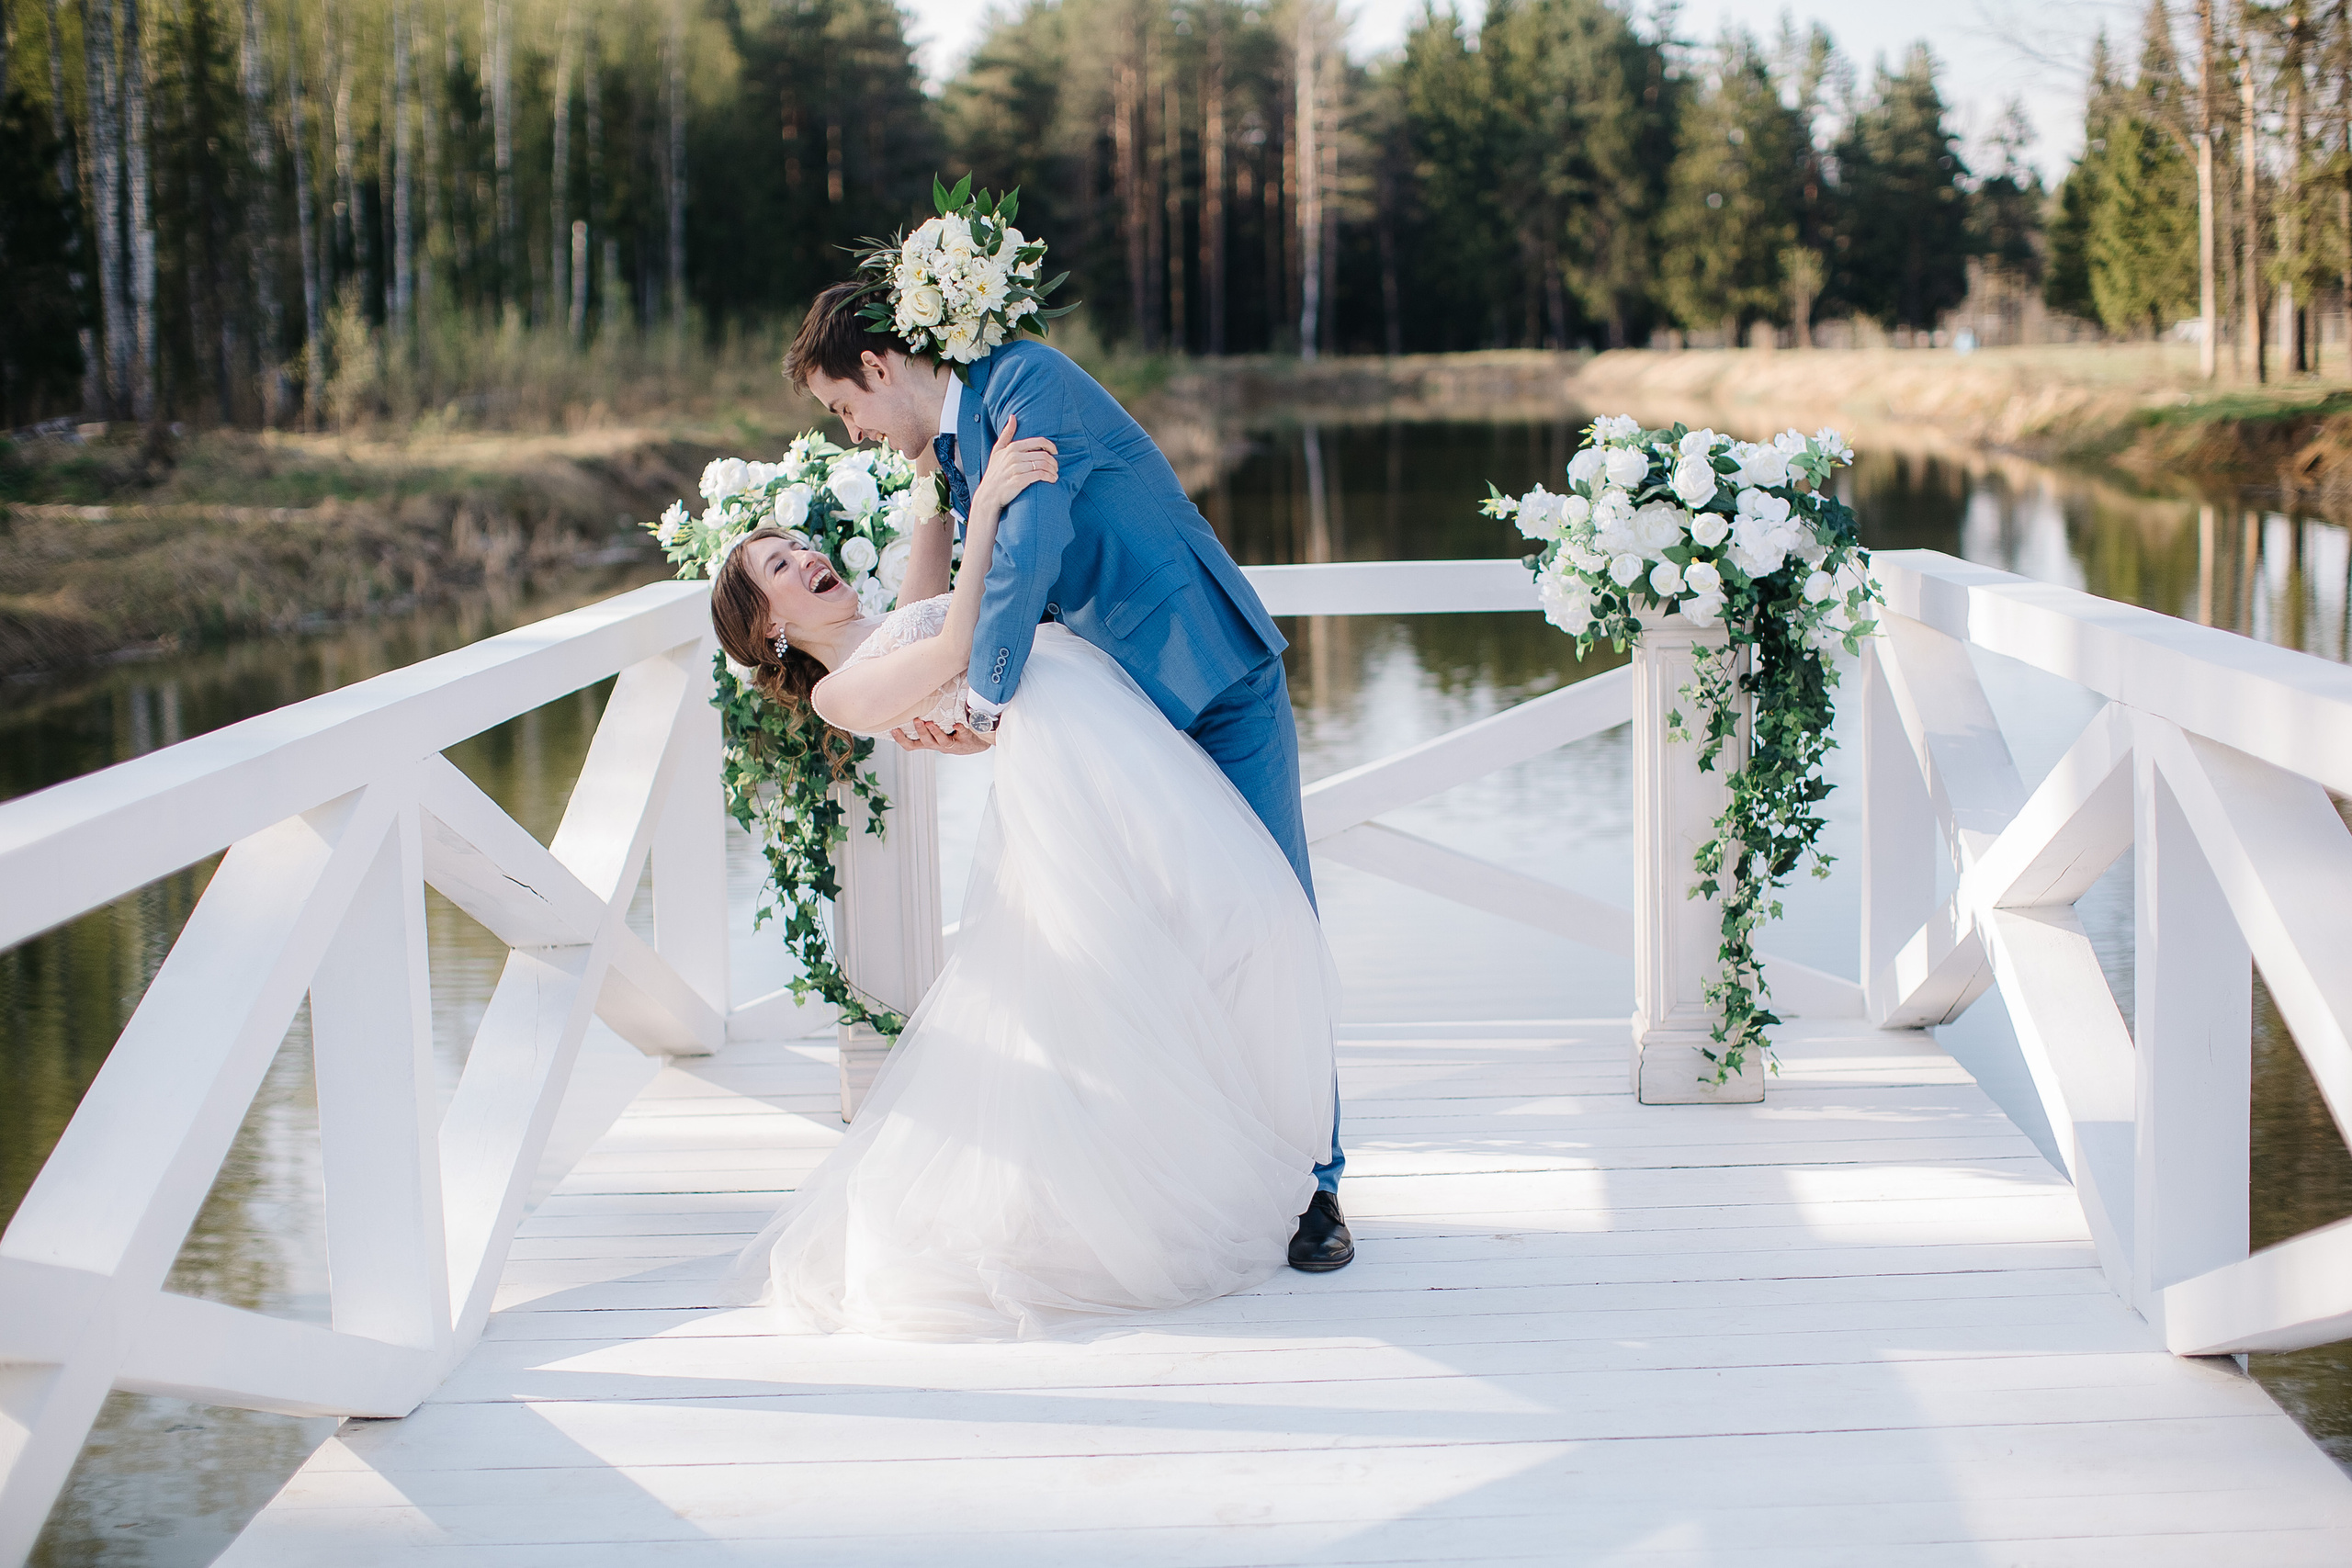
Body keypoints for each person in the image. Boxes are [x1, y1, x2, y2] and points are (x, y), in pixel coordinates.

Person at [706, 406, 1339, 1338]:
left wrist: (931, 455)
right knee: (1214, 929)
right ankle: (1199, 1179)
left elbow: (932, 550)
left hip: (1104, 728)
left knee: (1243, 924)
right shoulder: (841, 695)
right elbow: (962, 643)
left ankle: (1257, 1155)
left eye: (799, 545)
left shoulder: (888, 614)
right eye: (778, 567)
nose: (805, 558)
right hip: (1082, 763)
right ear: (767, 632)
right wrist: (993, 507)